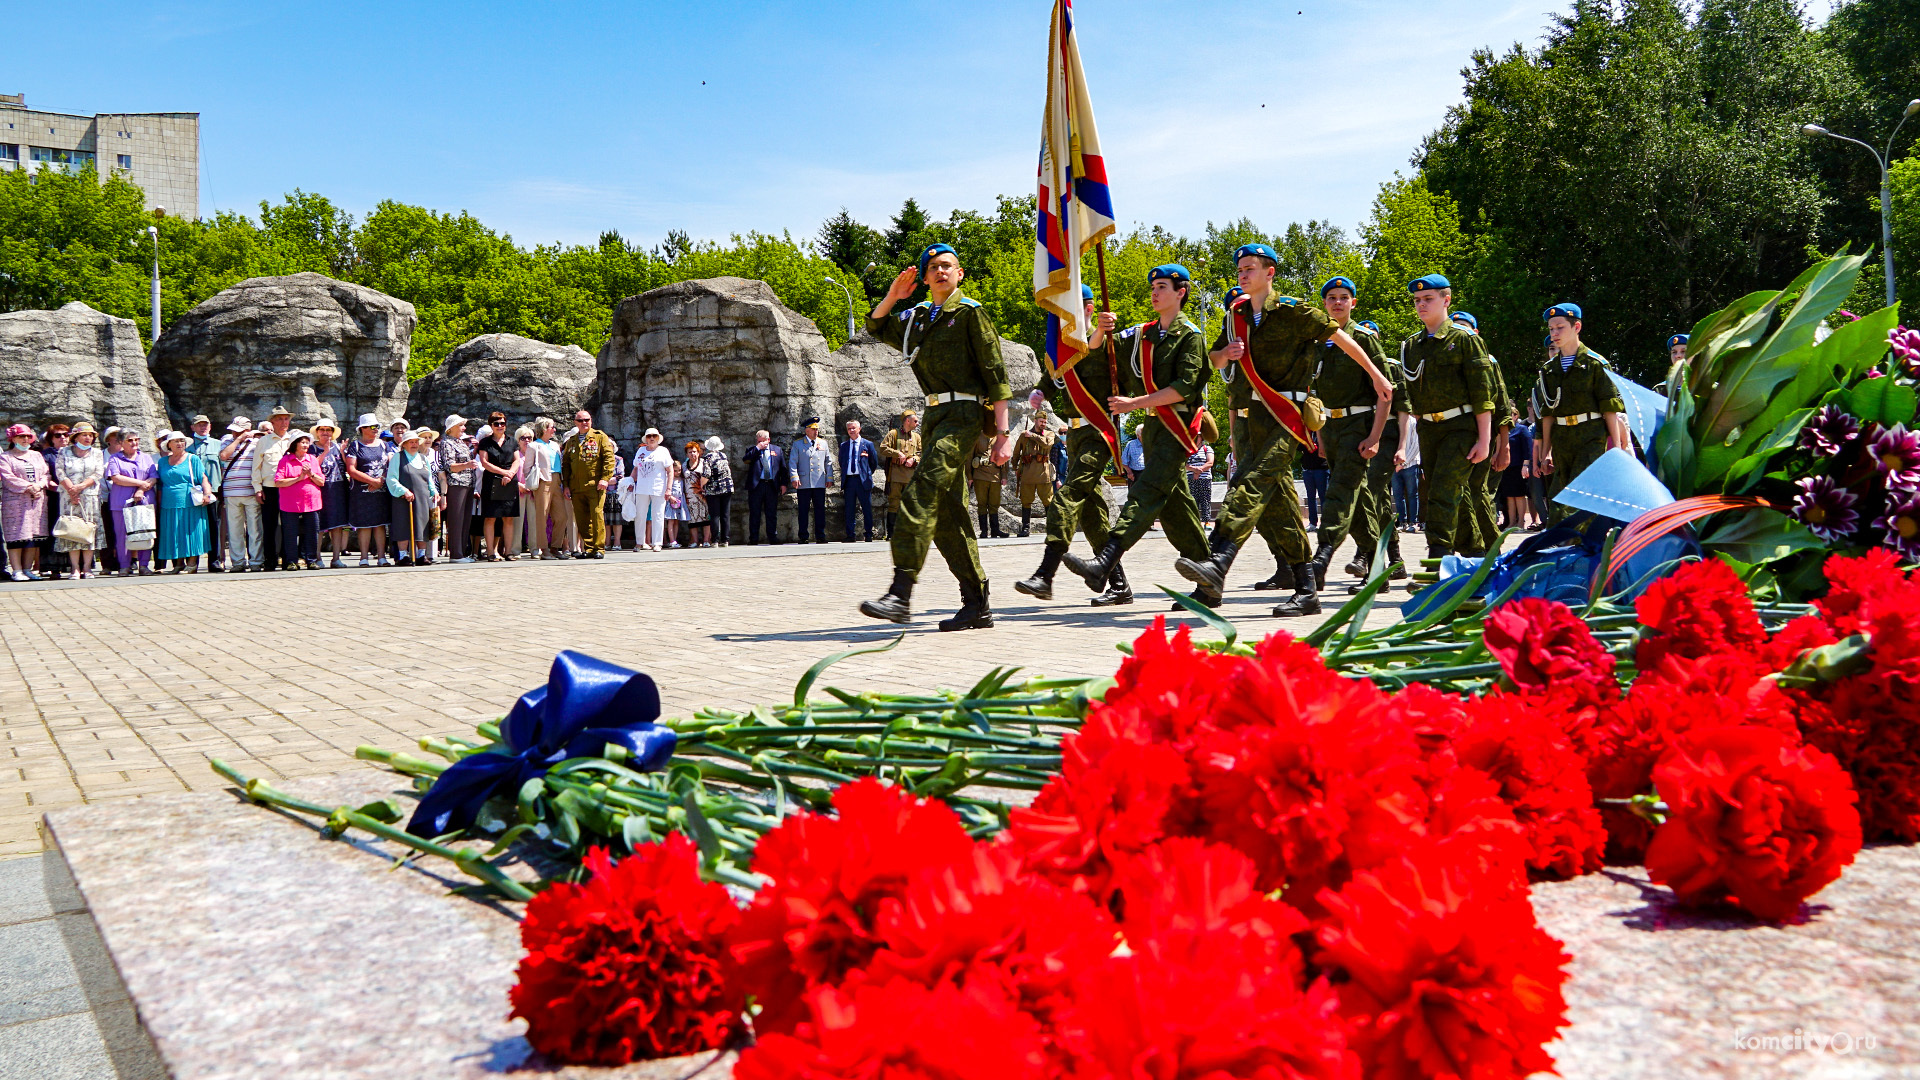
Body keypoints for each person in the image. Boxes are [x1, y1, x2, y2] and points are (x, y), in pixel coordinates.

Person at [1175, 245, 1391, 616]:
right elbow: (1213, 358)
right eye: (1240, 269)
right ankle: (1306, 589)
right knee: (1280, 508)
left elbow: (1340, 337)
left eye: (1250, 268)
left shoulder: (1293, 310)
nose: (1243, 274)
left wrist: (1375, 374)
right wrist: (1227, 354)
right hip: (1251, 419)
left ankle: (1218, 560)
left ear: (1270, 273)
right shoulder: (1236, 315)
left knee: (1251, 482)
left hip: (1286, 416)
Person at [858, 242, 1012, 630]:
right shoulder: (918, 319)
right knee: (947, 513)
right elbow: (876, 326)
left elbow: (996, 375)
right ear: (925, 279)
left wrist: (1003, 433)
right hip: (934, 415)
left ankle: (901, 592)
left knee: (922, 489)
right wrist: (894, 295)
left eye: (948, 266)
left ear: (959, 274)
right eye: (934, 268)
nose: (941, 272)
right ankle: (977, 602)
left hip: (965, 414)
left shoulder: (970, 314)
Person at [1059, 263, 1215, 609]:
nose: (1155, 292)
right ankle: (1209, 581)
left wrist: (1135, 403)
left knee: (1146, 492)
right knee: (1175, 509)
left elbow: (1185, 388)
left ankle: (1105, 561)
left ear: (1181, 293)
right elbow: (1100, 350)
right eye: (1153, 287)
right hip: (1155, 429)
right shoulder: (1144, 333)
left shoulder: (1190, 335)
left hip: (1177, 426)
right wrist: (1101, 329)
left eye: (1162, 287)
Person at [1015, 283, 1123, 605]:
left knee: (1067, 497)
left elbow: (1101, 367)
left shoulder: (1105, 344)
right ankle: (1119, 584)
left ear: (1088, 310)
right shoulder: (1063, 348)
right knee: (1092, 514)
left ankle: (1044, 576)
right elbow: (1055, 376)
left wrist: (1104, 333)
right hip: (1074, 435)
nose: (1063, 318)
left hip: (1098, 432)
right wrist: (1040, 390)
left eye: (1070, 311)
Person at [1388, 275, 1497, 562]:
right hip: (1429, 429)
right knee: (1452, 498)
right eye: (1417, 300)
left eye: (1428, 299)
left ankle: (1437, 559)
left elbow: (1483, 395)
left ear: (1446, 300)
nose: (1421, 305)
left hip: (1461, 428)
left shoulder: (1465, 340)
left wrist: (1485, 440)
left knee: (1442, 494)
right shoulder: (1412, 346)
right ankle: (1475, 555)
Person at [1305, 277, 1406, 585]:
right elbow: (1315, 394)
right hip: (1331, 427)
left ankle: (1321, 557)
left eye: (1344, 297)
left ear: (1353, 303)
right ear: (1324, 303)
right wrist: (1320, 435)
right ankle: (1378, 568)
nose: (1338, 302)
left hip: (1358, 426)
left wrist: (1375, 437)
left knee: (1338, 491)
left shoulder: (1363, 338)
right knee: (1359, 501)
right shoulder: (1317, 343)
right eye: (1332, 297)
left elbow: (1384, 392)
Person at [1536, 303, 1628, 523]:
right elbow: (1547, 414)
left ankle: (1580, 547)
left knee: (1581, 494)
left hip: (1590, 436)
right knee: (1558, 497)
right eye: (1551, 329)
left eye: (1560, 327)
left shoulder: (1596, 364)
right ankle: (1567, 545)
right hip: (1562, 439)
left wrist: (1616, 446)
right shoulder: (1549, 370)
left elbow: (1610, 408)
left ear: (1576, 327)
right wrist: (1545, 451)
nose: (1555, 333)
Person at [1447, 310, 1514, 558]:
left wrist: (1503, 446)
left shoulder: (1488, 360)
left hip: (1482, 436)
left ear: (1475, 333)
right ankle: (1472, 546)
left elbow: (1503, 407)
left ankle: (1489, 549)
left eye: (1464, 327)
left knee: (1476, 490)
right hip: (1454, 436)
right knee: (1458, 491)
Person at [559, 409, 618, 559]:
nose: (584, 423)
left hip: (595, 485)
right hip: (576, 487)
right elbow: (566, 465)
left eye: (587, 420)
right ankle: (589, 547)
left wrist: (605, 478)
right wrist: (566, 485)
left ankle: (599, 548)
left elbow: (609, 459)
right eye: (581, 420)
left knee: (597, 516)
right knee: (582, 518)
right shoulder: (571, 441)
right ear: (575, 423)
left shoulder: (600, 437)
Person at [2, 424, 55, 580]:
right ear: (12, 438)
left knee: (33, 535)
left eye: (27, 436)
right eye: (21, 436)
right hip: (16, 502)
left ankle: (27, 569)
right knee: (17, 535)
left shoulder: (37, 455)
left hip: (37, 500)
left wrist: (39, 485)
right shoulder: (6, 457)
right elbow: (8, 478)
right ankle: (16, 570)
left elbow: (46, 474)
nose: (25, 439)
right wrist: (28, 486)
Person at [157, 430, 215, 572]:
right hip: (168, 503)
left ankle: (192, 563)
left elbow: (203, 478)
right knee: (174, 533)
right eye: (176, 441)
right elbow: (159, 485)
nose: (179, 443)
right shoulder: (162, 461)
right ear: (168, 444)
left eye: (182, 441)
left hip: (190, 501)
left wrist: (207, 494)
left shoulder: (192, 459)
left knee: (191, 532)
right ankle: (178, 564)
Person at [55, 422, 105, 578]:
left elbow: (98, 473)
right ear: (75, 437)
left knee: (88, 530)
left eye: (91, 436)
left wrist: (80, 487)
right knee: (72, 531)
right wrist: (72, 490)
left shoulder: (97, 453)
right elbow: (60, 471)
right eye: (85, 435)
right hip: (69, 497)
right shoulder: (64, 451)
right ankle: (75, 568)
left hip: (90, 496)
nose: (88, 438)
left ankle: (87, 567)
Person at [386, 429, 443, 564]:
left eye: (416, 442)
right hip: (403, 498)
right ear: (404, 444)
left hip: (422, 498)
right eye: (411, 442)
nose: (414, 444)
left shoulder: (423, 459)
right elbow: (391, 478)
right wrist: (403, 491)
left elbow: (429, 479)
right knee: (402, 525)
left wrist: (434, 491)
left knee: (422, 525)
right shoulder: (398, 457)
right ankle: (403, 555)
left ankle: (421, 555)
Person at [106, 431, 160, 576]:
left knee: (145, 532)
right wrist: (141, 484)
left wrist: (141, 490)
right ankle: (124, 565)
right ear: (121, 443)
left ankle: (144, 565)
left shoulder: (146, 458)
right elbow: (116, 478)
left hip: (144, 500)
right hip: (121, 502)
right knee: (122, 535)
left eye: (137, 439)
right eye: (130, 440)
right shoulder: (115, 458)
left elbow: (154, 477)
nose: (134, 443)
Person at [249, 406, 295, 570]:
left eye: (286, 419)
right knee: (269, 525)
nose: (284, 422)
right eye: (280, 419)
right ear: (272, 422)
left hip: (290, 488)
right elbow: (256, 467)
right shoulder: (264, 441)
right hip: (270, 488)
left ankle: (289, 559)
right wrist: (257, 488)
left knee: (289, 525)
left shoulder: (293, 440)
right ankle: (270, 560)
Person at [343, 415, 392, 567]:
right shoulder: (355, 446)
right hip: (361, 492)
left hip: (381, 491)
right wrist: (372, 481)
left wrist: (381, 481)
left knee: (380, 524)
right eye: (371, 427)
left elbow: (390, 465)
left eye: (376, 426)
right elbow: (351, 469)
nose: (375, 429)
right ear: (362, 429)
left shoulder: (384, 445)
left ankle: (382, 557)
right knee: (364, 524)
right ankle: (364, 557)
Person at [218, 418, 264, 571]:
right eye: (233, 430)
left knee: (254, 530)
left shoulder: (257, 443)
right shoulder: (227, 441)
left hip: (251, 492)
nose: (234, 432)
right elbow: (223, 456)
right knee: (235, 530)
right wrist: (237, 439)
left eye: (238, 430)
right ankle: (238, 562)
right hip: (231, 493)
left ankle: (256, 562)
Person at [434, 416, 479, 562]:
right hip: (456, 484)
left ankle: (462, 552)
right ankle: (456, 554)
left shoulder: (461, 442)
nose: (464, 428)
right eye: (461, 425)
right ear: (451, 427)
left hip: (468, 484)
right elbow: (450, 466)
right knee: (456, 519)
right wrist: (467, 465)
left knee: (465, 519)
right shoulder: (446, 443)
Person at [185, 415, 227, 571]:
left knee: (213, 526)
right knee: (193, 526)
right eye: (199, 425)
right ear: (192, 427)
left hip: (213, 490)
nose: (203, 427)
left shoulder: (218, 444)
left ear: (210, 426)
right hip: (193, 492)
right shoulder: (188, 446)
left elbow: (223, 468)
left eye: (206, 424)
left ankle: (214, 561)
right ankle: (192, 562)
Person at [476, 413, 520, 561]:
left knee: (508, 518)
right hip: (491, 481)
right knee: (490, 517)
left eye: (502, 423)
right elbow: (484, 462)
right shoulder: (485, 443)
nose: (500, 426)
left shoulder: (512, 441)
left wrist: (510, 474)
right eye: (496, 424)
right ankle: (490, 552)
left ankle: (508, 552)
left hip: (510, 481)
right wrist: (503, 473)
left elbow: (517, 460)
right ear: (491, 426)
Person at [309, 419, 349, 567]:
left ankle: (336, 558)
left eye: (329, 430)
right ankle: (317, 557)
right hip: (320, 490)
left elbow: (346, 467)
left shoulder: (338, 447)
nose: (325, 433)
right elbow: (312, 467)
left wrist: (344, 452)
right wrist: (325, 451)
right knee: (319, 526)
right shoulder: (312, 449)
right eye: (322, 430)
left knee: (337, 525)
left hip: (338, 489)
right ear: (317, 432)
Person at [522, 418, 563, 559]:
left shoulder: (555, 445)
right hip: (543, 482)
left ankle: (555, 547)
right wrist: (533, 486)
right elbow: (527, 468)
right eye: (552, 427)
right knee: (542, 517)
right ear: (545, 429)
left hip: (557, 480)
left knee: (562, 516)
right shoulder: (534, 446)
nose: (554, 430)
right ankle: (544, 548)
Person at [1011, 403, 1054, 537]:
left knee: (1048, 501)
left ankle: (1052, 529)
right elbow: (1017, 452)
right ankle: (1025, 528)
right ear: (1035, 421)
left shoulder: (1049, 434)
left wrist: (1033, 436)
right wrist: (1015, 467)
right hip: (1027, 473)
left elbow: (1047, 444)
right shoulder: (1024, 435)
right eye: (1041, 421)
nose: (1043, 424)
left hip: (1043, 473)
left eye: (1045, 422)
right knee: (1026, 501)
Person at [790, 416, 834, 544]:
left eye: (817, 429)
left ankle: (820, 535)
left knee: (820, 509)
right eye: (813, 429)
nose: (816, 432)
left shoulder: (823, 443)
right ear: (806, 430)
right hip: (804, 481)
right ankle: (803, 536)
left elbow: (828, 462)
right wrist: (794, 477)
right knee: (803, 510)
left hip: (819, 482)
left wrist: (829, 477)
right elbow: (793, 462)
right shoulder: (798, 444)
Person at [880, 411, 920, 541]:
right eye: (915, 421)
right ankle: (891, 534)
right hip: (896, 476)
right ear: (907, 421)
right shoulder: (893, 434)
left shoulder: (917, 437)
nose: (917, 423)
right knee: (894, 504)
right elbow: (883, 448)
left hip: (910, 477)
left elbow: (921, 452)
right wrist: (897, 453)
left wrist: (914, 459)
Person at [36, 424, 70, 579]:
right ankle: (53, 567)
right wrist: (61, 490)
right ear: (51, 438)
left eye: (65, 434)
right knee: (54, 531)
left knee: (73, 530)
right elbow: (45, 477)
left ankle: (74, 565)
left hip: (74, 496)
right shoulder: (45, 455)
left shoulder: (76, 452)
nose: (63, 437)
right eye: (58, 435)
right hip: (54, 498)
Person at [742, 430, 787, 544]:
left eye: (763, 441)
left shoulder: (777, 450)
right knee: (755, 512)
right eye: (759, 441)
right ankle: (753, 538)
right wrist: (757, 448)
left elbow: (783, 468)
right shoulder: (753, 450)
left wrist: (783, 484)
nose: (761, 443)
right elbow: (745, 459)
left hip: (771, 484)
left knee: (771, 512)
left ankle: (772, 537)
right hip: (757, 485)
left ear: (768, 440)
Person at [630, 428, 672, 551]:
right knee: (640, 515)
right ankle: (639, 542)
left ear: (658, 438)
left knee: (658, 515)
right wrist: (630, 482)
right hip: (642, 488)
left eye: (654, 436)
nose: (652, 438)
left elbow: (670, 471)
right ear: (646, 438)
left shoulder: (663, 451)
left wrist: (668, 489)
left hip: (659, 487)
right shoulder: (641, 450)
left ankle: (657, 543)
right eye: (649, 436)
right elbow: (636, 468)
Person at [839, 420, 876, 542]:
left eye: (854, 428)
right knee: (849, 509)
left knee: (867, 508)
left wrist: (866, 474)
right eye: (849, 429)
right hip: (849, 480)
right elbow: (841, 462)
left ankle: (869, 534)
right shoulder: (844, 446)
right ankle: (850, 535)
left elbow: (873, 463)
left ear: (859, 429)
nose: (851, 431)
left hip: (862, 480)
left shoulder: (867, 444)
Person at [970, 432, 1006, 539]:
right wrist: (969, 476)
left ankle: (995, 530)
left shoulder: (999, 437)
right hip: (980, 475)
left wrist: (1004, 476)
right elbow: (970, 456)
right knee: (982, 504)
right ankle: (984, 531)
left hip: (995, 476)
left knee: (994, 504)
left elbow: (1004, 458)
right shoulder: (977, 436)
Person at [1502, 420, 1535, 529]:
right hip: (1507, 467)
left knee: (1519, 495)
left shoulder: (1522, 429)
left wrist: (1525, 466)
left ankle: (1521, 523)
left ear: (1515, 415)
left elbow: (1528, 449)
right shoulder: (1504, 429)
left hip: (1519, 467)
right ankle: (1512, 522)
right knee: (1509, 496)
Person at [702, 436, 733, 547]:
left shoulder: (708, 457)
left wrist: (701, 485)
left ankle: (715, 540)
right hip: (727, 487)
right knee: (725, 514)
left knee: (715, 515)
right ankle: (725, 540)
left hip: (714, 489)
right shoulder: (723, 455)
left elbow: (706, 474)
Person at [1301, 443, 1329, 529]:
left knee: (1323, 496)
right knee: (1310, 497)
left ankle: (1325, 523)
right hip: (1307, 469)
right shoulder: (1305, 433)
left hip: (1321, 469)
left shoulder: (1322, 433)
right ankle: (1312, 523)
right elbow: (1299, 447)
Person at [1186, 441, 1214, 523]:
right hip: (1190, 479)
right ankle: (1194, 522)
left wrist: (1198, 471)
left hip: (1205, 479)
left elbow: (1210, 462)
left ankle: (1207, 522)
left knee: (1205, 500)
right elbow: (1184, 464)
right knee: (1193, 501)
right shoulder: (1187, 449)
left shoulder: (1207, 449)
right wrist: (1194, 470)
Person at [663, 457, 688, 548]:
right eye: (675, 470)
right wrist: (671, 498)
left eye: (679, 470)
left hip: (679, 502)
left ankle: (675, 539)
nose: (678, 472)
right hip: (671, 502)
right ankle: (671, 539)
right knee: (670, 521)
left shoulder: (681, 479)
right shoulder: (670, 479)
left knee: (676, 521)